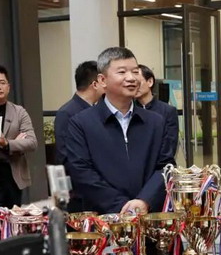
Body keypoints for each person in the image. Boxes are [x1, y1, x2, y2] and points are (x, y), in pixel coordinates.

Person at [64, 47, 172, 215]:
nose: (131, 78)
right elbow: (81, 172)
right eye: (122, 72)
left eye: (135, 72)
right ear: (102, 80)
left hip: (148, 217)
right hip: (104, 219)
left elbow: (165, 166)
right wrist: (123, 207)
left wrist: (145, 200)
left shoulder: (155, 121)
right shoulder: (81, 123)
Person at [0, 65, 38, 209]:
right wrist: (15, 144)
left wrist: (8, 144)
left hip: (13, 176)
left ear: (8, 87)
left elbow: (32, 142)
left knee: (13, 217)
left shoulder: (19, 112)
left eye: (2, 82)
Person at [55, 61, 103, 211]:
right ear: (95, 84)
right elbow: (65, 155)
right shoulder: (67, 113)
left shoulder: (96, 110)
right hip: (79, 192)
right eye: (103, 81)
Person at [136, 64, 180, 161]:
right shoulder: (128, 110)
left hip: (160, 165)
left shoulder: (167, 111)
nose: (134, 86)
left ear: (150, 82)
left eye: (138, 82)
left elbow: (170, 146)